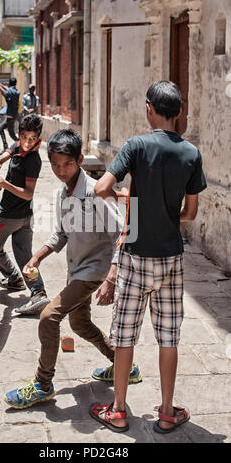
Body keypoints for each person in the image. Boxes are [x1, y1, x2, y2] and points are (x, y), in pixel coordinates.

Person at [89, 81, 207, 434]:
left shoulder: (137, 146)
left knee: (125, 335)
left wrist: (125, 196)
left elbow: (99, 187)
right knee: (168, 337)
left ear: (149, 109)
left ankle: (119, 409)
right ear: (179, 113)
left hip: (135, 254)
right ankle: (168, 411)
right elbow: (189, 213)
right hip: (171, 257)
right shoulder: (191, 153)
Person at [4, 129, 142, 409]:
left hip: (95, 272)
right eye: (55, 164)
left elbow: (124, 231)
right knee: (79, 324)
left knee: (48, 317)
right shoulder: (61, 193)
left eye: (67, 164)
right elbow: (61, 234)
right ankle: (123, 365)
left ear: (79, 160)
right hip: (76, 269)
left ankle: (42, 384)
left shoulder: (95, 192)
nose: (61, 170)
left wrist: (112, 278)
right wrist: (37, 257)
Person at [0, 113, 50, 314]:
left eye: (33, 139)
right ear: (19, 134)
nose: (28, 143)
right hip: (24, 218)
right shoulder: (17, 147)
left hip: (10, 216)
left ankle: (14, 278)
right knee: (24, 257)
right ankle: (38, 293)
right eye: (24, 137)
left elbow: (28, 193)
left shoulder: (33, 160)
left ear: (38, 139)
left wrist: (3, 183)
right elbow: (5, 154)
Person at [0, 76, 20, 154]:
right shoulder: (17, 91)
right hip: (14, 114)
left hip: (10, 114)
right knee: (2, 129)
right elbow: (8, 90)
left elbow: (5, 93)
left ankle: (20, 145)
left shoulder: (9, 91)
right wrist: (1, 85)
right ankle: (7, 146)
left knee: (11, 133)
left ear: (9, 83)